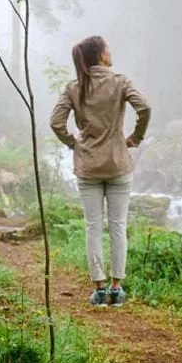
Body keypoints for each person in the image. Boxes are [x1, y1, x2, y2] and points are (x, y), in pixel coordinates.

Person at [50, 35, 151, 307]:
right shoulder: (120, 82)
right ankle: (117, 289)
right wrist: (135, 138)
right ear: (102, 56)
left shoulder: (74, 87)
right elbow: (145, 107)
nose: (111, 51)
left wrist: (74, 143)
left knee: (93, 227)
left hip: (88, 166)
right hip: (118, 164)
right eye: (108, 48)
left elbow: (56, 122)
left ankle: (99, 288)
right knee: (118, 227)